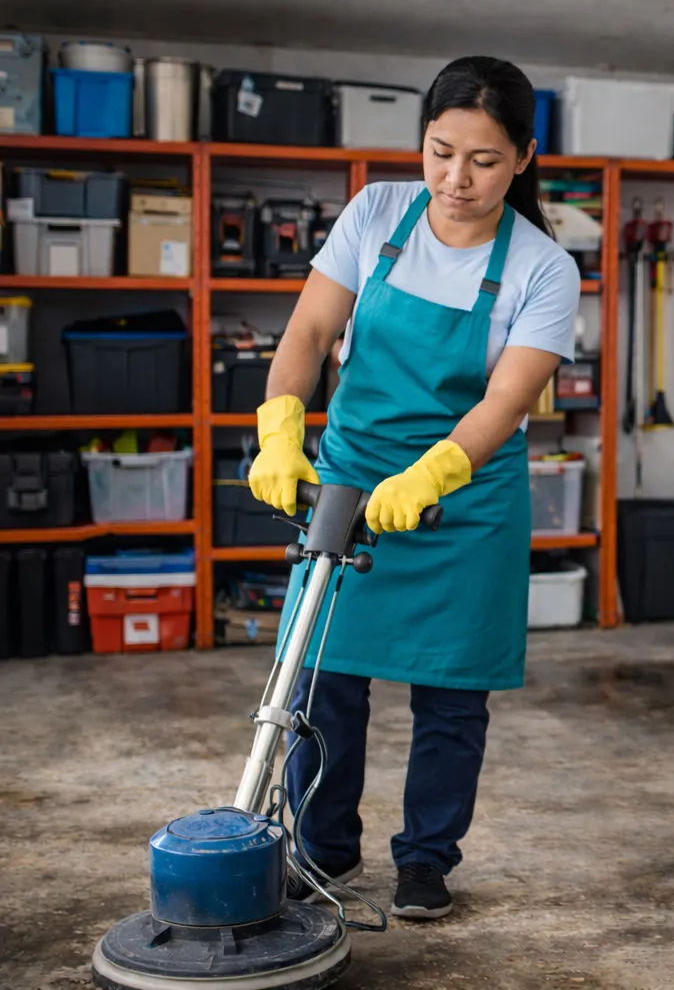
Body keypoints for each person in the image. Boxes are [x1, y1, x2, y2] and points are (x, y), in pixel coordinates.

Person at [245, 55, 581, 921]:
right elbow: (311, 331)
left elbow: (507, 401)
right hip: (351, 480)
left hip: (463, 503)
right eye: (440, 152)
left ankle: (427, 862)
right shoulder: (377, 213)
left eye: (483, 160)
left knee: (451, 697)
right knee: (322, 683)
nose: (455, 179)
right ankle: (322, 849)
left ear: (523, 158)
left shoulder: (544, 268)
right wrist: (281, 427)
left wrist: (435, 472)